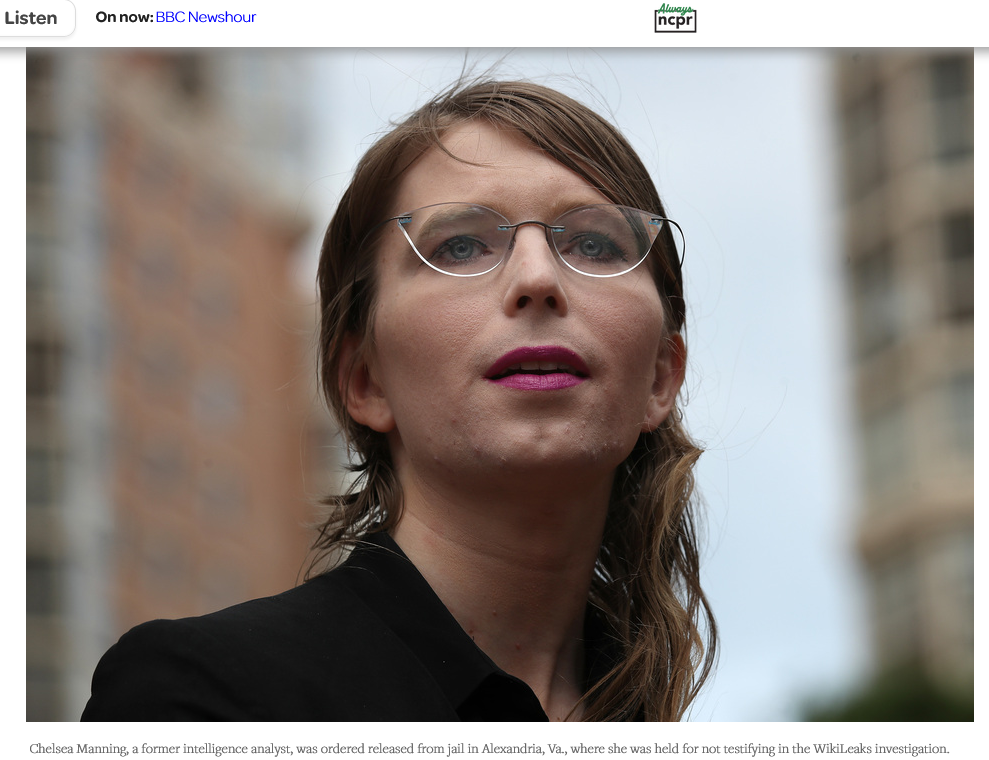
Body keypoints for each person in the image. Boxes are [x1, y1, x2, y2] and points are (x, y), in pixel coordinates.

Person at [82, 79, 716, 722]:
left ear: (661, 376)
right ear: (365, 380)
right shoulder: (201, 698)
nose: (537, 278)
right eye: (460, 246)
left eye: (595, 243)